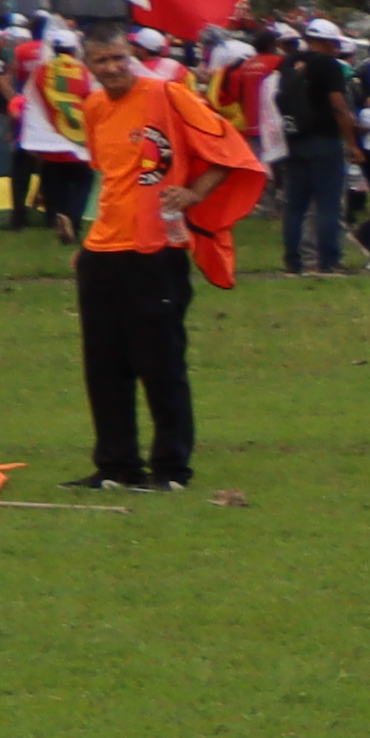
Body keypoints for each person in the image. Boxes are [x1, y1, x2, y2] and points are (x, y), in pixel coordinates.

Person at [69, 25, 265, 491]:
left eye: (119, 58)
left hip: (155, 250)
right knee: (104, 365)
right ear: (89, 67)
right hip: (101, 251)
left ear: (131, 55)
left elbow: (229, 150)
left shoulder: (167, 94)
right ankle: (116, 465)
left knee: (160, 364)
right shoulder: (94, 107)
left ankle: (171, 469)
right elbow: (108, 176)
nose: (113, 68)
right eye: (102, 61)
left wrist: (194, 193)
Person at [272, 21, 360, 275]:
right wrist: (351, 142)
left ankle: (293, 260)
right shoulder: (328, 65)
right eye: (334, 43)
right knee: (328, 204)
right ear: (326, 42)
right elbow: (338, 105)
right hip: (325, 140)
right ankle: (329, 260)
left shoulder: (288, 62)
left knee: (295, 206)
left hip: (295, 139)